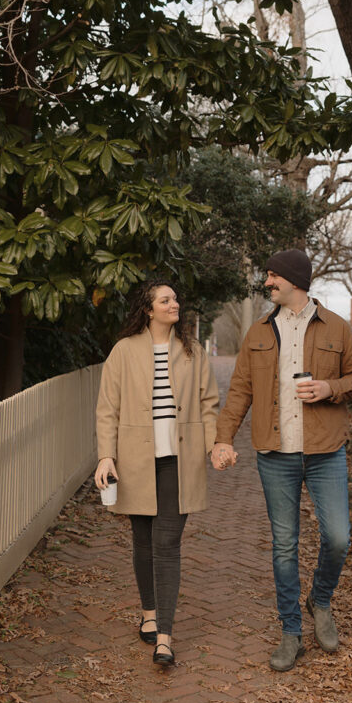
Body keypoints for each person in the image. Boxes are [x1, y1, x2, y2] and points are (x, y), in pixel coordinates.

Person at [211, 249, 352, 672]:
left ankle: (320, 598)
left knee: (337, 537)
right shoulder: (259, 332)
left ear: (294, 280)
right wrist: (223, 439)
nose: (267, 283)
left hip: (325, 451)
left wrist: (328, 389)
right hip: (275, 456)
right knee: (284, 547)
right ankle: (291, 631)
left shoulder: (336, 326)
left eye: (273, 276)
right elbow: (240, 390)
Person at [95, 280, 219, 668]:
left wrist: (214, 445)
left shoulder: (192, 351)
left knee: (168, 543)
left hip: (180, 461)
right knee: (143, 540)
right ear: (148, 310)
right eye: (165, 300)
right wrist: (105, 457)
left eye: (176, 299)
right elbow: (107, 409)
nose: (174, 304)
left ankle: (164, 636)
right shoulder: (124, 351)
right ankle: (148, 610)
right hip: (135, 460)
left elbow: (209, 402)